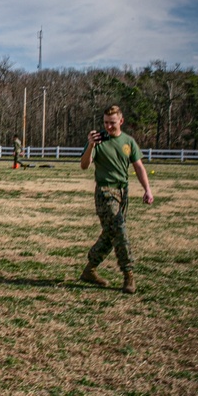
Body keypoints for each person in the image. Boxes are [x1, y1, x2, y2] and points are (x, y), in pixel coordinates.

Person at [79, 105, 154, 294]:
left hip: (123, 192)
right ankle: (128, 274)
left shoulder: (128, 141)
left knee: (111, 234)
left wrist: (147, 189)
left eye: (112, 123)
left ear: (121, 121)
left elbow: (138, 167)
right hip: (105, 192)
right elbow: (84, 165)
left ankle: (89, 270)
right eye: (105, 123)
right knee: (119, 230)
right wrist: (90, 145)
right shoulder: (98, 141)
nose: (108, 127)